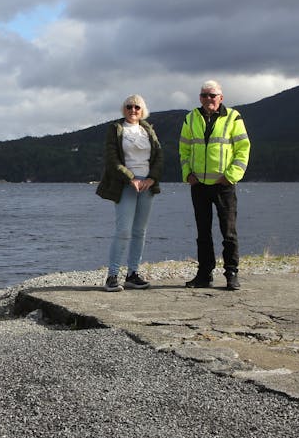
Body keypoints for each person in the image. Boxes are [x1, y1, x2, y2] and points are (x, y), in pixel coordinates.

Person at [179, 80, 251, 290]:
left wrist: (231, 176)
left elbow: (243, 149)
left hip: (223, 185)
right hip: (199, 184)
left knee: (228, 232)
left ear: (221, 97)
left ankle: (231, 274)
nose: (208, 99)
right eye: (204, 95)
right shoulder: (190, 118)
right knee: (203, 232)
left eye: (212, 95)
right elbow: (183, 149)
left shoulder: (233, 117)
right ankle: (204, 274)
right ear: (199, 98)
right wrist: (187, 174)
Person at [95, 94, 163, 292]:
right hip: (125, 186)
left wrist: (151, 179)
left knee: (139, 232)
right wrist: (130, 178)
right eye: (129, 107)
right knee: (123, 230)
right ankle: (112, 276)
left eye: (137, 107)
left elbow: (159, 156)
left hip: (147, 187)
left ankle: (132, 274)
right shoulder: (116, 129)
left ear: (143, 110)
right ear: (123, 109)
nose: (133, 110)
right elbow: (112, 159)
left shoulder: (148, 129)